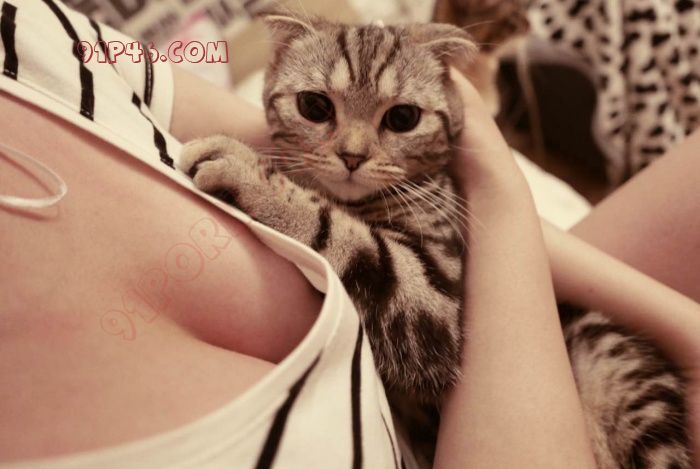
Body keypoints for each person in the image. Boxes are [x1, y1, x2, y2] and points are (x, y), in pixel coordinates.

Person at [1, 1, 699, 467]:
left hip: (552, 356)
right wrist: (496, 190)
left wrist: (682, 327)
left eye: (399, 118)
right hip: (478, 421)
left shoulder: (32, 34)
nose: (355, 150)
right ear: (279, 85)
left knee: (611, 356)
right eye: (317, 107)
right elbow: (431, 348)